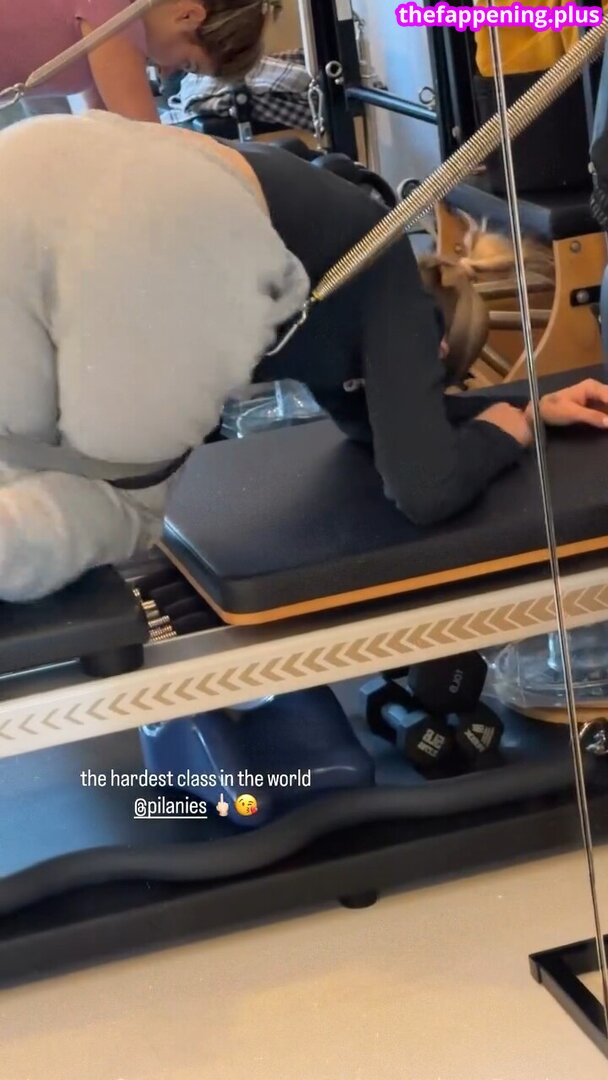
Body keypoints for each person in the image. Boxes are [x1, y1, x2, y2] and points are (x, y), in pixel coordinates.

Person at [0, 110, 607, 603]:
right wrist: (502, 436)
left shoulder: (331, 274)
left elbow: (373, 428)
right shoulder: (391, 278)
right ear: (437, 346)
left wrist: (528, 405)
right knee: (122, 504)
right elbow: (426, 488)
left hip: (35, 159)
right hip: (145, 226)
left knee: (16, 449)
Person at [0, 0, 271, 123]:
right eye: (187, 64)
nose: (169, 73)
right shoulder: (118, 19)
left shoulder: (109, 31)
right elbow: (146, 138)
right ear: (188, 15)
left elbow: (103, 126)